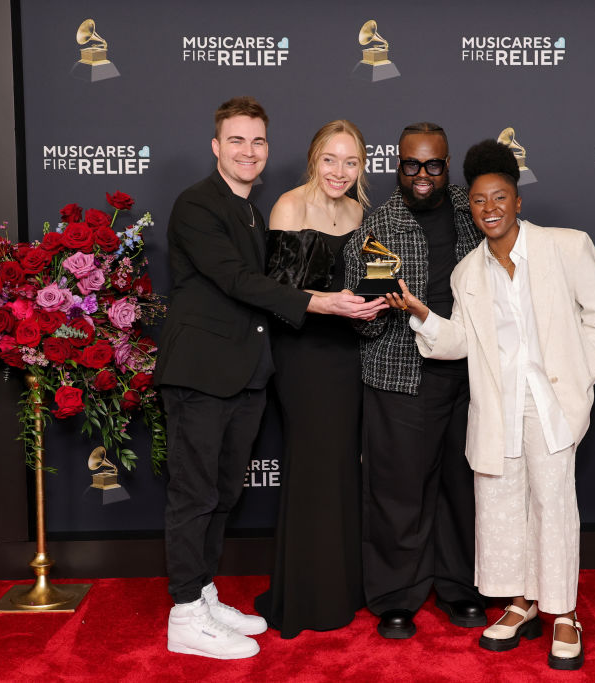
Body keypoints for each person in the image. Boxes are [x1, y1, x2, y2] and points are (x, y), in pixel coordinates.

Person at [153, 97, 385, 660]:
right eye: (237, 141)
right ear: (217, 146)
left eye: (257, 142)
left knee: (222, 491)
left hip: (248, 371)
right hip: (201, 370)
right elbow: (237, 280)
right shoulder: (196, 205)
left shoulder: (253, 212)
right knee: (194, 493)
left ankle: (203, 594)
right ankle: (184, 612)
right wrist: (323, 303)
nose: (248, 152)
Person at [386, 139, 595, 670]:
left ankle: (563, 612)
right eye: (478, 201)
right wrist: (422, 314)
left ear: (517, 202)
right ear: (469, 206)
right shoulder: (468, 272)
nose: (489, 209)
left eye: (499, 198)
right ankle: (520, 602)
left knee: (553, 505)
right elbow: (462, 343)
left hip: (552, 404)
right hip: (497, 407)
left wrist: (587, 379)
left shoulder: (566, 246)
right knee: (500, 507)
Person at [343, 122, 486, 639]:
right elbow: (362, 314)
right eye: (411, 165)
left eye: (433, 165)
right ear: (396, 166)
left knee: (463, 488)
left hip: (471, 376)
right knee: (397, 492)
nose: (422, 175)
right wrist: (381, 308)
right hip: (401, 377)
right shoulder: (377, 227)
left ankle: (462, 589)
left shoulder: (477, 215)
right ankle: (395, 597)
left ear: (447, 165)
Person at [253, 120, 371, 637]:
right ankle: (303, 596)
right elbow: (279, 300)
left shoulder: (360, 212)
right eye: (330, 160)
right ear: (313, 159)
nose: (339, 172)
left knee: (342, 467)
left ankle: (340, 586)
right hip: (302, 356)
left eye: (350, 162)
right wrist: (329, 305)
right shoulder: (288, 206)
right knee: (310, 466)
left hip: (349, 356)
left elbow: (368, 283)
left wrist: (378, 305)